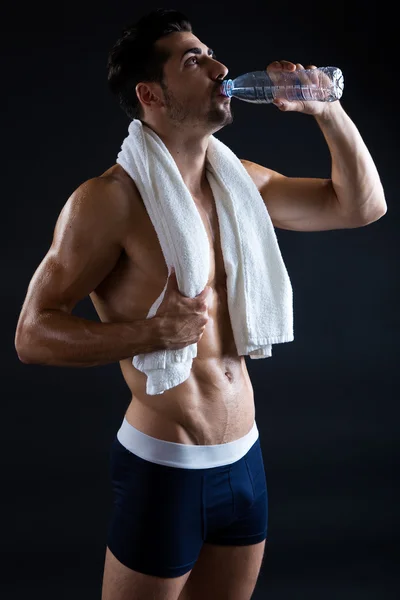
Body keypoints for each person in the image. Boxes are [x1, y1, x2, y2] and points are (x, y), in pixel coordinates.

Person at [14, 8, 386, 600]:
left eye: (211, 53)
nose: (219, 67)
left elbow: (359, 206)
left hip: (246, 461)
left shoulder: (240, 181)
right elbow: (31, 335)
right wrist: (149, 333)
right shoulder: (107, 202)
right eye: (194, 61)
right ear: (150, 94)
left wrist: (328, 111)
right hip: (165, 472)